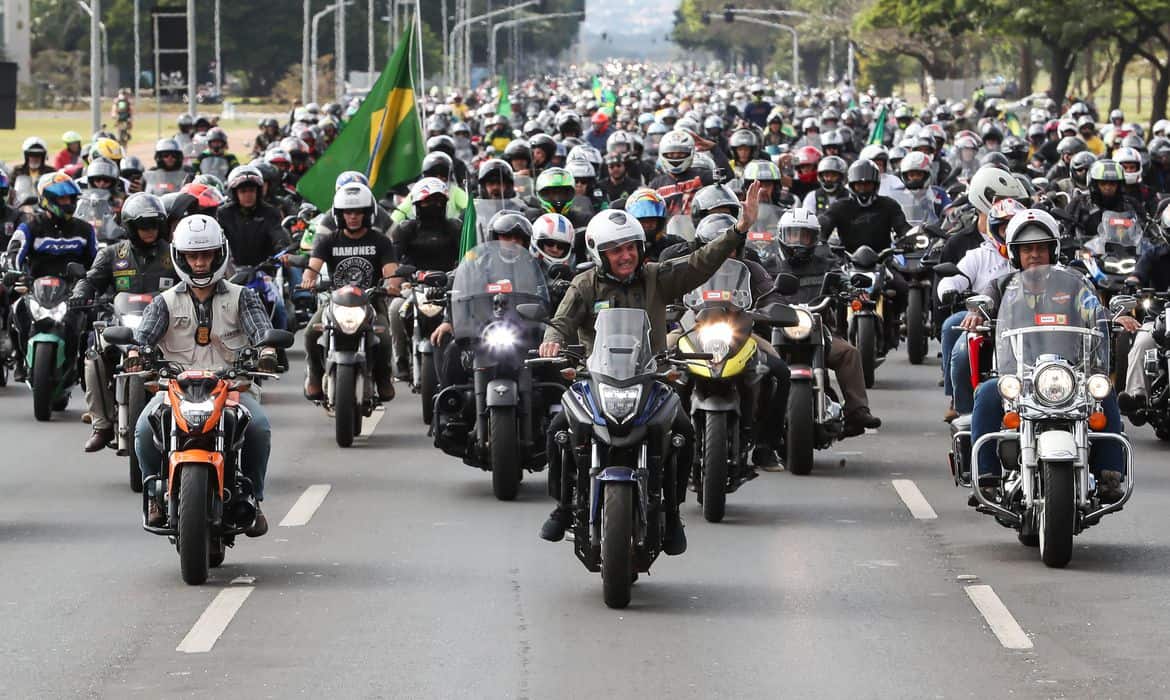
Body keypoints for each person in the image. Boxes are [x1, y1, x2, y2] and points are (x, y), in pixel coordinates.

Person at [536, 181, 769, 551]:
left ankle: (673, 515)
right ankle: (564, 507)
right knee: (558, 431)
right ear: (599, 253)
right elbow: (562, 320)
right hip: (595, 380)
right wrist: (552, 341)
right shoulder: (584, 284)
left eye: (630, 247)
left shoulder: (657, 277)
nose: (626, 256)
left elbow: (700, 262)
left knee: (684, 433)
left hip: (652, 378)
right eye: (616, 250)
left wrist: (740, 229)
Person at [129, 214, 280, 532]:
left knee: (259, 428)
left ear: (218, 254)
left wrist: (266, 352)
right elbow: (143, 337)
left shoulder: (243, 296)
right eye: (192, 256)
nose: (199, 263)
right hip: (175, 389)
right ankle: (155, 495)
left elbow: (261, 330)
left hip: (230, 389)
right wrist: (134, 354)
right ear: (181, 258)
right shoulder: (164, 302)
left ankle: (253, 498)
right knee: (144, 430)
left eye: (206, 254)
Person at [967, 209, 1124, 504]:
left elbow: (1093, 307)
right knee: (987, 392)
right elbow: (986, 302)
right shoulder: (1002, 286)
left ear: (1053, 250)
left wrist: (1114, 316)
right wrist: (977, 312)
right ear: (1015, 254)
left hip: (1069, 371)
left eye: (1041, 248)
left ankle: (1109, 473)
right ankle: (986, 477)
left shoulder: (1072, 283)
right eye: (1027, 249)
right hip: (1020, 374)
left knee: (1104, 391)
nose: (1035, 255)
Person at [71, 193, 175, 451]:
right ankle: (102, 424)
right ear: (130, 227)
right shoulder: (112, 254)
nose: (149, 230)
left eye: (153, 224)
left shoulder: (174, 255)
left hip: (165, 327)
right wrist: (80, 293)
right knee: (93, 353)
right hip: (121, 326)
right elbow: (90, 279)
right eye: (142, 225)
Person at [771, 208, 882, 437]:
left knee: (849, 353)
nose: (799, 243)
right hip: (775, 329)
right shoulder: (769, 265)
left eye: (805, 236)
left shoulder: (824, 263)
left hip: (817, 328)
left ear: (815, 238)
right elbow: (752, 284)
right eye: (793, 236)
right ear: (782, 236)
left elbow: (841, 277)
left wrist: (853, 291)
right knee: (754, 362)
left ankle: (857, 410)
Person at [301, 183, 400, 402]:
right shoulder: (329, 241)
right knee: (310, 334)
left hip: (371, 302)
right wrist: (308, 280)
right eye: (348, 212)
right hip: (336, 303)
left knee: (384, 338)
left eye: (358, 212)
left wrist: (393, 284)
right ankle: (315, 376)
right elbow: (312, 267)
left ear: (367, 214)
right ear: (339, 215)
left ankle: (383, 378)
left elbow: (391, 270)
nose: (353, 217)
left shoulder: (380, 241)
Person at [937, 197, 1024, 420]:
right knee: (961, 345)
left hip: (1029, 319)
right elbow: (954, 278)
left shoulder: (1032, 255)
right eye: (1005, 227)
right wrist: (949, 289)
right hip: (983, 317)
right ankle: (963, 407)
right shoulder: (978, 255)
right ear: (995, 230)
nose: (1010, 233)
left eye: (1015, 226)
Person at [9, 173, 96, 382]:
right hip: (35, 289)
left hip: (73, 292)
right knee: (16, 309)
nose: (68, 203)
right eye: (62, 199)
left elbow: (95, 262)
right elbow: (14, 252)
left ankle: (85, 368)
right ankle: (20, 359)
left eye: (70, 199)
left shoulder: (85, 229)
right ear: (47, 199)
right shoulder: (30, 226)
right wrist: (11, 271)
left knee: (94, 320)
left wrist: (95, 283)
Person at [388, 177, 461, 379]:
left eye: (438, 202)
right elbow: (394, 262)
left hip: (449, 286)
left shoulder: (455, 227)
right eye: (428, 202)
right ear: (418, 205)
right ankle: (401, 359)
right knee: (395, 310)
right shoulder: (404, 229)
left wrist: (460, 279)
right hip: (413, 285)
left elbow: (467, 259)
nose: (433, 206)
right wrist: (398, 282)